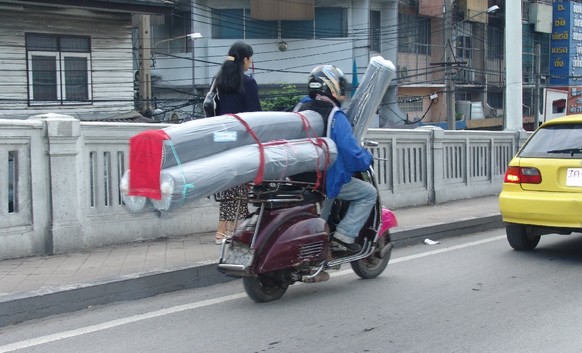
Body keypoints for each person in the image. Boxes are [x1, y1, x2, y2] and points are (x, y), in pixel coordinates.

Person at [297, 65, 376, 252]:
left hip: (298, 178)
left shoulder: (299, 109)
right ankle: (343, 237)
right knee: (368, 193)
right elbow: (351, 153)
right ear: (332, 87)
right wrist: (367, 158)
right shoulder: (335, 117)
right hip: (326, 180)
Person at [213, 41, 262, 244]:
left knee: (230, 183)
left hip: (221, 137)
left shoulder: (219, 81)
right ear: (245, 59)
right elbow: (255, 115)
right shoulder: (247, 83)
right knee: (239, 182)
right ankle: (228, 230)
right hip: (241, 138)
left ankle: (228, 227)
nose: (250, 63)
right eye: (250, 59)